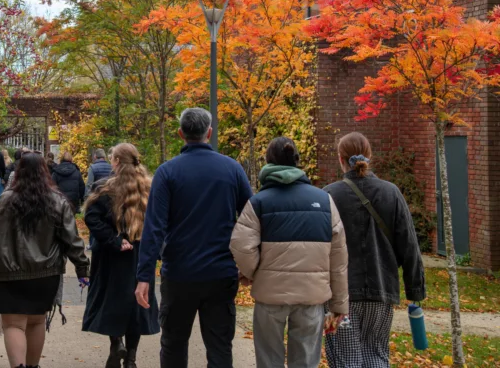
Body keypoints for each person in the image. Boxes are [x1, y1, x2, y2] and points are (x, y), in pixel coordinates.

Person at [136, 108, 253, 368]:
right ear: (209, 133)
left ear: (181, 134)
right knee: (220, 346)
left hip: (179, 274)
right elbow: (251, 219)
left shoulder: (167, 173)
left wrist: (144, 275)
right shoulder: (232, 169)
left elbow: (154, 227)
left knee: (174, 344)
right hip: (221, 272)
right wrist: (248, 265)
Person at [230, 137, 348, 368]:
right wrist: (339, 305)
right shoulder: (324, 201)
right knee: (305, 362)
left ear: (268, 161)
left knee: (268, 360)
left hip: (270, 295)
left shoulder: (259, 202)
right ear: (297, 162)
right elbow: (339, 258)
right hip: (311, 297)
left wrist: (255, 272)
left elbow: (241, 245)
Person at [324, 132, 426, 368]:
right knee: (377, 356)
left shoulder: (328, 195)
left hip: (340, 296)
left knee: (343, 359)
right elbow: (409, 245)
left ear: (340, 159)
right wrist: (415, 290)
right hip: (382, 292)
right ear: (369, 157)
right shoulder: (392, 193)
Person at [0, 153, 90, 368]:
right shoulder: (58, 202)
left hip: (9, 273)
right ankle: (32, 365)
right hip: (46, 272)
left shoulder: (2, 202)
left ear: (18, 172)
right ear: (45, 172)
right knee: (37, 321)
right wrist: (82, 268)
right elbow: (72, 240)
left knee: (13, 325)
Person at [83, 143, 158, 368]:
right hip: (140, 256)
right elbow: (159, 222)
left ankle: (116, 343)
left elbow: (91, 218)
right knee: (137, 305)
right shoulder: (149, 188)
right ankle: (132, 358)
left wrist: (114, 239)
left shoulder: (104, 188)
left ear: (115, 162)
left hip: (111, 257)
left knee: (111, 301)